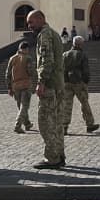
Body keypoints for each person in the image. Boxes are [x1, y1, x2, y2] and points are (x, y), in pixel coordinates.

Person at [27, 9, 66, 169]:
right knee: (57, 123)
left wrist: (41, 81)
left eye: (31, 22)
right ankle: (59, 154)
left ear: (41, 19)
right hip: (58, 84)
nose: (29, 26)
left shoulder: (44, 34)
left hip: (49, 85)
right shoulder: (54, 33)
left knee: (45, 122)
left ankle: (52, 158)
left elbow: (46, 59)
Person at [62, 36, 100, 134]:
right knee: (84, 103)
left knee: (66, 104)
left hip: (66, 82)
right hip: (79, 82)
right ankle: (90, 124)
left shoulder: (65, 54)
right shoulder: (82, 55)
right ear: (80, 44)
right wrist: (85, 81)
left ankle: (64, 126)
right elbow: (85, 70)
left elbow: (61, 69)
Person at [5, 41, 34, 133]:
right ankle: (18, 125)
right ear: (25, 49)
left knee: (20, 106)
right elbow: (30, 72)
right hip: (25, 84)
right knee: (24, 106)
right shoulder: (27, 58)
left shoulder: (12, 58)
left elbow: (7, 74)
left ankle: (27, 124)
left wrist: (9, 87)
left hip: (15, 86)